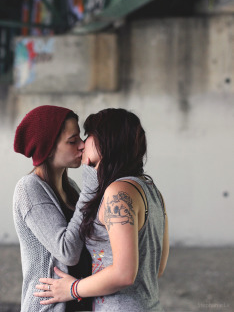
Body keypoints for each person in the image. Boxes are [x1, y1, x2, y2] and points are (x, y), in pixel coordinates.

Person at [34, 108, 169, 311]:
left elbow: (124, 273)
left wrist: (72, 288)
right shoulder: (153, 192)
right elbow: (157, 268)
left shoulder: (117, 194)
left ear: (104, 141)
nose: (82, 144)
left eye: (88, 136)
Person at [13, 105, 98, 312]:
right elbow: (68, 252)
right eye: (72, 141)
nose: (82, 146)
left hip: (80, 300)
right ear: (48, 148)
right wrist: (90, 190)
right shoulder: (29, 188)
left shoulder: (73, 190)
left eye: (81, 138)